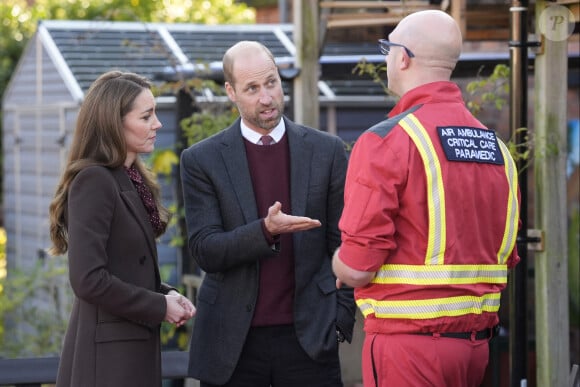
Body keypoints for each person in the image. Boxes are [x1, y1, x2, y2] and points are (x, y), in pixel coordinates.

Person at [332, 10, 521, 387]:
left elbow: (357, 268)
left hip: (408, 348)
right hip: (476, 350)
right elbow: (506, 255)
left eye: (388, 48)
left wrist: (337, 262)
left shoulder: (386, 141)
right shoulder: (497, 148)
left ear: (402, 57)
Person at [180, 40, 357, 387]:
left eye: (272, 82)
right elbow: (205, 249)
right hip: (233, 346)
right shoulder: (202, 160)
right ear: (231, 92)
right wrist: (265, 231)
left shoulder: (327, 151)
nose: (266, 97)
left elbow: (345, 243)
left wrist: (340, 318)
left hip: (310, 339)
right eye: (252, 88)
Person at [48, 70, 196, 387]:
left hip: (129, 350)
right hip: (108, 362)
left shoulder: (128, 178)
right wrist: (159, 306)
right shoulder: (94, 181)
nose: (157, 124)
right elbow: (88, 280)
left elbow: (126, 269)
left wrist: (167, 295)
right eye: (146, 116)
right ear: (115, 123)